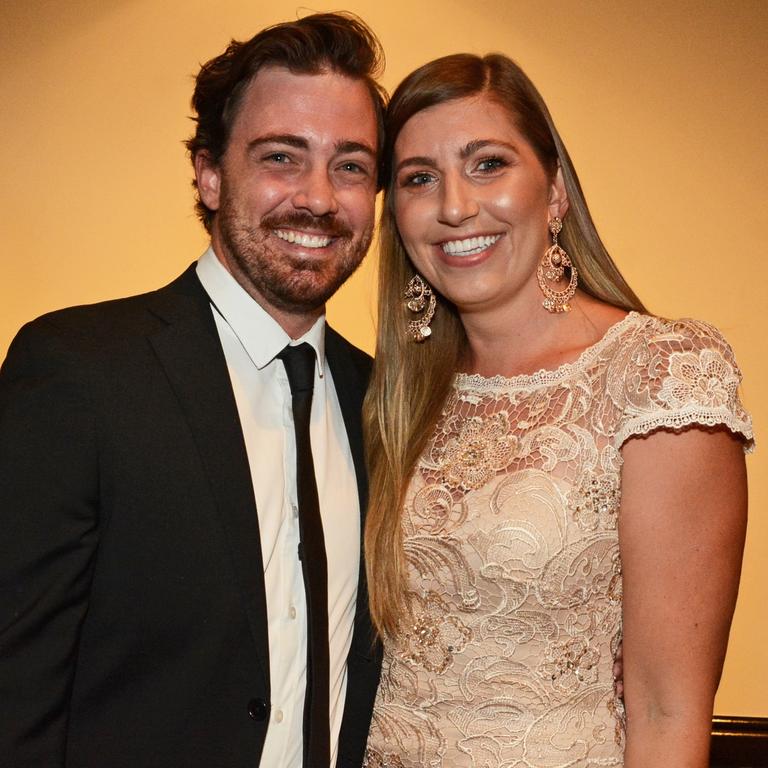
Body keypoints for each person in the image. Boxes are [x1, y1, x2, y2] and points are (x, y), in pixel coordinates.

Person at [0, 12, 385, 768]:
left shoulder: (379, 399)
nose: (317, 198)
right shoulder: (78, 370)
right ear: (209, 173)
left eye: (351, 166)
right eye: (282, 157)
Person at [362, 53, 752, 767]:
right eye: (419, 178)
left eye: (488, 164)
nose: (454, 205)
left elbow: (669, 711)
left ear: (556, 192)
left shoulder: (658, 373)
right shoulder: (391, 398)